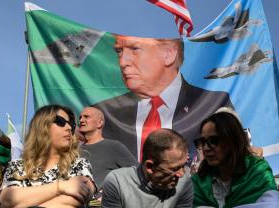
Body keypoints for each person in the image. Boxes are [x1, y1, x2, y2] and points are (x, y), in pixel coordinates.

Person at [93, 36, 232, 160]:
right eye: (119, 51)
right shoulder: (105, 113)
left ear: (169, 54)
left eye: (135, 49)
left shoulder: (213, 104)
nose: (122, 62)